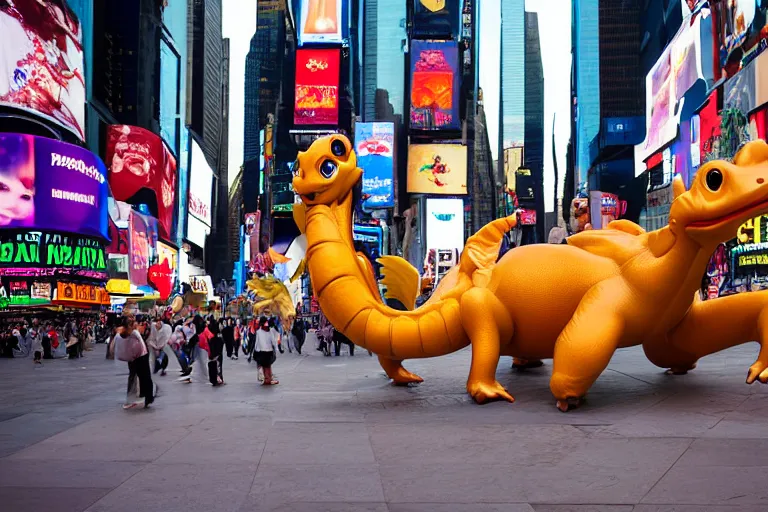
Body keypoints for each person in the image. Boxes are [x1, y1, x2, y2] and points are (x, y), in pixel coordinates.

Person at [114, 315, 156, 409]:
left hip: (133, 357)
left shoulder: (122, 332)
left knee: (135, 376)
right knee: (144, 376)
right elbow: (142, 345)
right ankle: (146, 397)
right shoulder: (134, 332)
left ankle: (137, 397)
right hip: (140, 356)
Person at [253, 316, 279, 385]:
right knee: (268, 366)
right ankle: (268, 379)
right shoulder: (269, 331)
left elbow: (257, 342)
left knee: (264, 366)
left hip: (262, 351)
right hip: (269, 351)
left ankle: (266, 379)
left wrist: (256, 350)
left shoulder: (258, 332)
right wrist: (276, 348)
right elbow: (273, 341)